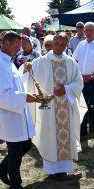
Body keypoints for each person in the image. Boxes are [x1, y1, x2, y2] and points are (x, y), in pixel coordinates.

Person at [24, 32, 86, 180]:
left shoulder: (71, 62)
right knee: (48, 134)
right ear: (52, 44)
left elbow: (79, 82)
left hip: (66, 105)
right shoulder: (42, 61)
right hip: (48, 105)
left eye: (62, 44)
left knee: (66, 135)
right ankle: (52, 170)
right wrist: (27, 67)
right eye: (56, 44)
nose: (58, 47)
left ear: (66, 45)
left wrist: (66, 88)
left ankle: (63, 169)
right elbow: (30, 74)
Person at [0, 31, 39, 189]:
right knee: (16, 148)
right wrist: (25, 97)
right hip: (8, 114)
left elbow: (14, 81)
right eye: (17, 46)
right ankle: (16, 188)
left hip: (15, 112)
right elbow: (3, 94)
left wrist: (23, 71)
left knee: (24, 145)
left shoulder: (8, 62)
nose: (19, 49)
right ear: (6, 44)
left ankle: (1, 169)